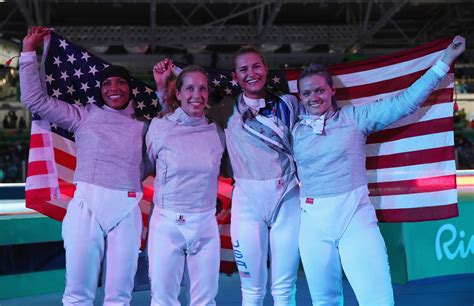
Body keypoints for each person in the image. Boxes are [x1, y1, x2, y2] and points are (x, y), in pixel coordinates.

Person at [292, 37, 465, 306]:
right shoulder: (294, 130)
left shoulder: (355, 118)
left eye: (319, 90)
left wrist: (445, 61)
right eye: (306, 93)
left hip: (355, 219)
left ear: (331, 91)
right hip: (312, 224)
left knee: (378, 300)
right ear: (300, 97)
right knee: (323, 301)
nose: (314, 97)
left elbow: (405, 103)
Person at [20, 26, 150, 306]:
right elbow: (35, 100)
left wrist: (164, 90)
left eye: (120, 82)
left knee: (119, 296)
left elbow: (155, 159)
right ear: (100, 90)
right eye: (107, 84)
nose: (114, 88)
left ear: (130, 88)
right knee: (78, 295)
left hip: (127, 212)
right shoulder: (83, 116)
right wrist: (29, 52)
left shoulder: (144, 128)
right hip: (86, 208)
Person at [225, 45, 301, 305]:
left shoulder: (289, 104)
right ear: (234, 77)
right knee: (252, 290)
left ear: (266, 69)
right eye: (243, 69)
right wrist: (162, 84)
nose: (251, 73)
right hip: (247, 201)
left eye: (256, 66)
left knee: (284, 288)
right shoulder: (224, 109)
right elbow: (187, 100)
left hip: (287, 197)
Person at [146, 61, 225, 306]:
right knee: (163, 299)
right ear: (178, 94)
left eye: (202, 89)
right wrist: (161, 91)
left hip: (205, 224)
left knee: (205, 300)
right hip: (167, 222)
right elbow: (149, 161)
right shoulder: (159, 127)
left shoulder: (216, 131)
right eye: (189, 89)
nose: (197, 95)